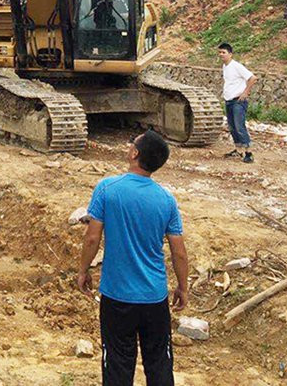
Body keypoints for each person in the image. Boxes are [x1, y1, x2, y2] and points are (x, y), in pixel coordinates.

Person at [77, 129, 188, 386]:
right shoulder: (166, 200)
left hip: (117, 297)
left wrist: (84, 270)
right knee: (159, 363)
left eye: (132, 143)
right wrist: (183, 286)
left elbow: (92, 238)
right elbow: (178, 252)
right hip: (154, 297)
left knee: (117, 363)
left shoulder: (107, 188)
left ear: (135, 153)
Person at [218, 42, 256, 163]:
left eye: (223, 52)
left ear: (230, 54)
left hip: (238, 101)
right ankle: (238, 150)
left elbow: (252, 78)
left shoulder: (236, 66)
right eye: (219, 52)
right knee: (232, 127)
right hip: (229, 100)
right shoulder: (225, 67)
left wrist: (245, 92)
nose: (221, 55)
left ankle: (248, 152)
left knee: (239, 126)